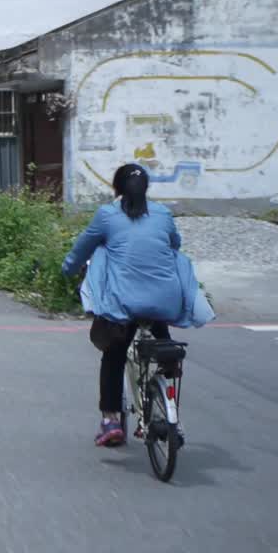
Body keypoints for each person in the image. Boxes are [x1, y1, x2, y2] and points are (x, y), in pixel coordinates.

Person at [62, 163, 214, 447]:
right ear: (146, 189)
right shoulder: (163, 214)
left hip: (125, 303)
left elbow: (83, 248)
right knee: (158, 326)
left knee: (114, 355)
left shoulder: (107, 215)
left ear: (117, 189)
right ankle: (168, 367)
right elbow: (175, 244)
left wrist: (68, 269)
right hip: (165, 300)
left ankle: (110, 420)